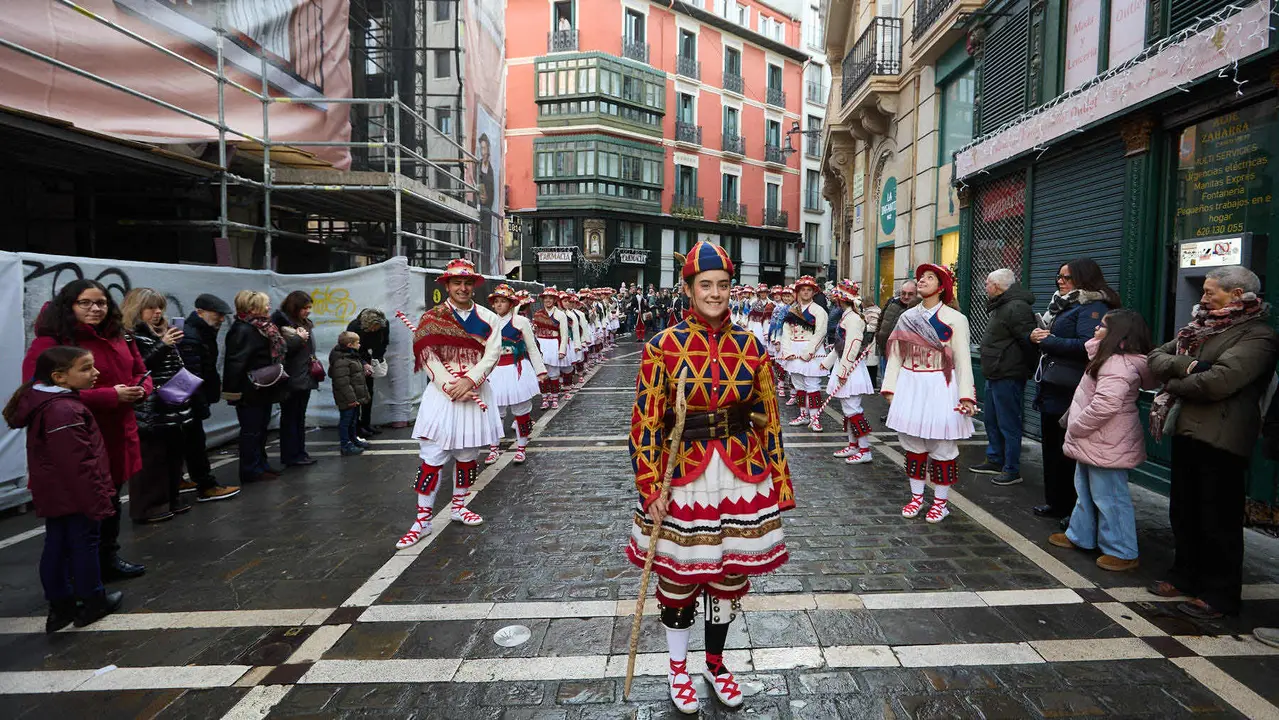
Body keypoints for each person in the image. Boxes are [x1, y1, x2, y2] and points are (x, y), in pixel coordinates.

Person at [627, 241, 794, 715]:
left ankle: (716, 663)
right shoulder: (662, 346)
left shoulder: (751, 346)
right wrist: (649, 485)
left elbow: (769, 417)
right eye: (706, 285)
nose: (715, 293)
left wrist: (778, 480)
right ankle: (678, 667)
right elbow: (644, 423)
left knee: (729, 575)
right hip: (683, 476)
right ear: (688, 289)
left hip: (742, 475)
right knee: (679, 577)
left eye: (722, 285)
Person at [1147, 266, 1279, 619]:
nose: (1203, 298)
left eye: (1210, 292)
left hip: (1223, 436)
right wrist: (1190, 366)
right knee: (1184, 510)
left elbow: (1219, 382)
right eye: (1203, 290)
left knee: (1217, 518)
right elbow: (1156, 358)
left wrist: (1175, 383)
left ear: (1238, 294)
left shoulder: (1258, 335)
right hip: (1188, 429)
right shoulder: (1198, 328)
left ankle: (1220, 595)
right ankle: (1186, 575)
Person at [23, 280, 149, 582]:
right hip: (75, 437)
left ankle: (106, 559)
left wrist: (141, 389)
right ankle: (79, 577)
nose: (95, 309)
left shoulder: (120, 335)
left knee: (112, 499)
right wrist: (110, 396)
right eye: (86, 303)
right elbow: (36, 392)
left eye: (101, 303)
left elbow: (140, 370)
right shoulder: (51, 342)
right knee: (81, 510)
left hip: (118, 432)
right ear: (69, 305)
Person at [5, 346, 122, 631]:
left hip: (57, 492)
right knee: (83, 545)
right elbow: (78, 463)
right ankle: (92, 600)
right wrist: (98, 498)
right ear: (59, 377)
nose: (95, 373)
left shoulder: (49, 403)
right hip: (76, 494)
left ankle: (61, 606)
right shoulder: (64, 410)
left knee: (57, 545)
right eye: (85, 369)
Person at [396, 258, 504, 550]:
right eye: (457, 282)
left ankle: (459, 506)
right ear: (447, 285)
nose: (463, 288)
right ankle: (422, 520)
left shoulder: (488, 318)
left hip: (475, 392)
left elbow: (492, 355)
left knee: (468, 455)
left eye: (468, 283)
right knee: (432, 457)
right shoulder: (431, 318)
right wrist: (449, 386)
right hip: (442, 396)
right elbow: (428, 356)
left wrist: (469, 381)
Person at [1048, 309, 1155, 571]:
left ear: (1119, 336)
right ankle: (1080, 535)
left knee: (1110, 496)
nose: (1096, 328)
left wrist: (1077, 426)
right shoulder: (1107, 358)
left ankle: (1122, 550)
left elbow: (1106, 405)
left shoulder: (1117, 364)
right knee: (1085, 489)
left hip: (1106, 439)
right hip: (1096, 438)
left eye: (1103, 326)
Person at [881, 264, 976, 523]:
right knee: (913, 445)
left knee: (942, 446)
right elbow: (896, 355)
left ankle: (941, 502)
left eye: (929, 277)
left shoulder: (956, 319)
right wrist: (890, 387)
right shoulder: (907, 317)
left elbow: (964, 360)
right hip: (911, 383)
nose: (922, 281)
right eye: (921, 277)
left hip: (941, 384)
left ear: (942, 286)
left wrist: (966, 395)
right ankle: (916, 497)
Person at [1030, 259, 1120, 518]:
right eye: (1058, 276)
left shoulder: (1093, 306)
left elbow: (1086, 345)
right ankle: (1056, 502)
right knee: (1052, 447)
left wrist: (1049, 341)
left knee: (1066, 449)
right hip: (1052, 382)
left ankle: (1070, 508)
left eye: (1067, 278)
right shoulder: (1062, 304)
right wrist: (1035, 337)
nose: (1060, 281)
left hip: (1070, 387)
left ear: (1084, 279)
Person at [122, 288, 195, 524]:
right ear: (136, 309)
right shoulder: (129, 336)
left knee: (173, 456)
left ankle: (170, 498)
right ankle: (149, 506)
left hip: (170, 400)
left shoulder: (159, 332)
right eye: (151, 308)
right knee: (152, 459)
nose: (157, 312)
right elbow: (137, 367)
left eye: (160, 307)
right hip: (150, 405)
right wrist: (163, 345)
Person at [971, 269, 1038, 487]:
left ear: (998, 286)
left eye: (988, 284)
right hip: (995, 372)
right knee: (992, 419)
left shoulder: (1016, 307)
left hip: (1008, 373)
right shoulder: (1002, 305)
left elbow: (1028, 342)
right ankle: (995, 459)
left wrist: (1024, 368)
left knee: (1009, 423)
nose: (985, 288)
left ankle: (1011, 468)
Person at [177, 294, 240, 502]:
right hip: (190, 397)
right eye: (218, 314)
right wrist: (200, 401)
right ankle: (206, 485)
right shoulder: (193, 336)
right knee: (194, 442)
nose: (221, 319)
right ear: (200, 312)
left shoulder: (199, 332)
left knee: (186, 441)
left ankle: (181, 480)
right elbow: (192, 374)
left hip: (190, 396)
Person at [222, 290, 288, 485]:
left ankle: (261, 465)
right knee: (252, 431)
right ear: (252, 308)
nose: (269, 307)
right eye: (264, 304)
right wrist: (233, 392)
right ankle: (251, 469)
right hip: (250, 389)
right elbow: (235, 363)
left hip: (262, 387)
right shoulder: (243, 330)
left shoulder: (259, 327)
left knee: (260, 430)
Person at [483, 284, 549, 465]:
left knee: (521, 411)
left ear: (511, 304)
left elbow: (531, 347)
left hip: (517, 369)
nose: (498, 305)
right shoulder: (488, 321)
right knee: (495, 412)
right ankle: (493, 448)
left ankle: (521, 447)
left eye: (502, 301)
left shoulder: (521, 322)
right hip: (495, 371)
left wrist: (540, 370)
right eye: (496, 301)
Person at [821, 282, 876, 465]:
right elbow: (840, 346)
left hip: (850, 369)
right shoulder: (847, 316)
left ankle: (865, 449)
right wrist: (827, 363)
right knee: (848, 410)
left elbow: (852, 347)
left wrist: (843, 371)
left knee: (853, 411)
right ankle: (853, 445)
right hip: (843, 365)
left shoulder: (853, 319)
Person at [274, 291, 320, 468]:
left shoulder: (300, 324)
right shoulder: (284, 325)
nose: (308, 311)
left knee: (298, 417)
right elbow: (283, 351)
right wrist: (298, 339)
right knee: (291, 417)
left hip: (303, 375)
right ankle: (292, 454)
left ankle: (299, 452)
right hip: (293, 376)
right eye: (305, 308)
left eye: (309, 308)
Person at [782, 275, 829, 431]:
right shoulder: (792, 310)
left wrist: (809, 352)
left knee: (812, 385)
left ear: (813, 292)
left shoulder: (819, 310)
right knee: (798, 384)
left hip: (811, 352)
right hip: (794, 350)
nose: (806, 293)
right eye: (803, 290)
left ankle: (815, 418)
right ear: (798, 291)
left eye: (809, 290)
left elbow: (820, 333)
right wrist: (787, 351)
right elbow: (786, 332)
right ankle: (803, 414)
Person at [346, 308, 389, 438]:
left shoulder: (384, 325)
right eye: (372, 327)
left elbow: (384, 342)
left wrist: (377, 359)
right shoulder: (355, 326)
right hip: (357, 361)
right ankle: (357, 426)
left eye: (377, 328)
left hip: (371, 359)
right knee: (359, 394)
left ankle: (366, 423)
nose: (374, 330)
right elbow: (352, 349)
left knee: (369, 393)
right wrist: (364, 363)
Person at [329, 331, 372, 456]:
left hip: (354, 397)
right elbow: (342, 382)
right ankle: (345, 444)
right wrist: (351, 398)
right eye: (357, 343)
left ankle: (353, 440)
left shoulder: (351, 356)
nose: (359, 345)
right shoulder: (342, 360)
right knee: (346, 421)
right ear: (349, 345)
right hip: (347, 398)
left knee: (353, 420)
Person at [533, 288, 570, 409]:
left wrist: (562, 350)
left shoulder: (560, 315)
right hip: (541, 344)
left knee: (553, 373)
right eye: (546, 298)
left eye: (550, 298)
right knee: (541, 373)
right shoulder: (538, 314)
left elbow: (564, 334)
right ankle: (544, 398)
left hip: (553, 344)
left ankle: (554, 397)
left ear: (554, 300)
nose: (548, 301)